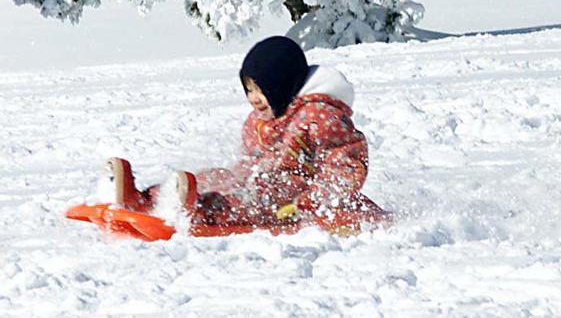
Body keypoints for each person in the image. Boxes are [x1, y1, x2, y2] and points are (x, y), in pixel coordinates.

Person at [103, 36, 382, 226]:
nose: (253, 98)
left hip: (292, 200)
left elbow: (345, 163)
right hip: (259, 182)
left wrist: (310, 202)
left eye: (262, 90)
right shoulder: (257, 121)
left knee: (247, 199)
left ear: (283, 86)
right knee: (215, 176)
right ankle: (147, 198)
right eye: (249, 89)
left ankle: (197, 211)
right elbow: (249, 162)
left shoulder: (318, 115)